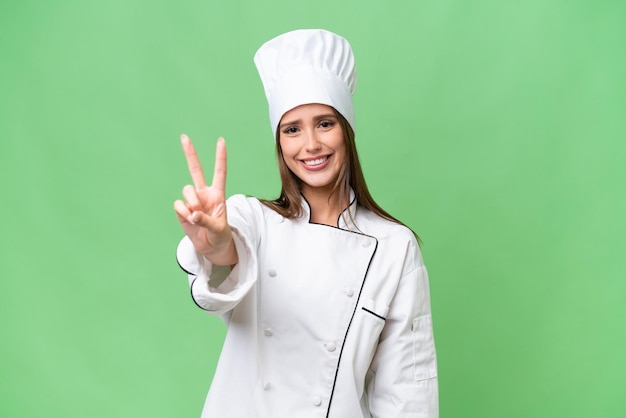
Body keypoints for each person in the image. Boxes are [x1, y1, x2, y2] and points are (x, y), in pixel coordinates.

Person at [174, 29, 438, 418]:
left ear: (347, 131)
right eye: (292, 129)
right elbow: (227, 257)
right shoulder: (253, 220)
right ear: (279, 143)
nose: (310, 144)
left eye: (325, 123)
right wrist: (215, 247)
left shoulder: (394, 246)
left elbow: (407, 388)